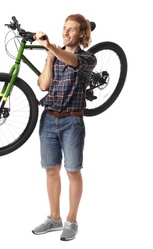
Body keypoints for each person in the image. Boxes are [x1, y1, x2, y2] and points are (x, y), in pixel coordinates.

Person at [32, 14, 97, 241]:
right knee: (51, 170)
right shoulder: (55, 54)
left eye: (71, 29)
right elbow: (43, 85)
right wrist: (49, 59)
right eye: (64, 28)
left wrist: (50, 46)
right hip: (48, 119)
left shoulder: (88, 58)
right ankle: (54, 218)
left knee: (72, 170)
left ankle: (72, 220)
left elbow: (71, 60)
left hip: (72, 121)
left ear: (81, 34)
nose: (66, 32)